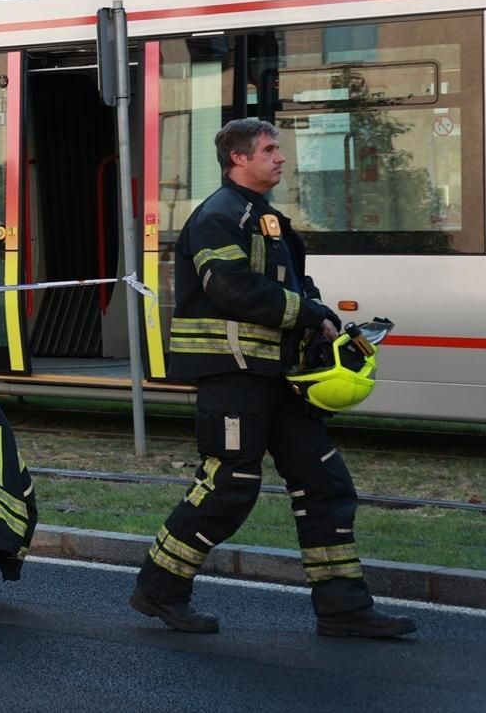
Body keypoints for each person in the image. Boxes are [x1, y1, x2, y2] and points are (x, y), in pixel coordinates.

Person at [129, 119, 414, 639]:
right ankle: (160, 588)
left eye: (278, 149)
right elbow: (232, 288)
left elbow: (295, 286)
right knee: (230, 485)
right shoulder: (218, 216)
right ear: (238, 158)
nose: (280, 157)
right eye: (269, 149)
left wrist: (322, 317)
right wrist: (309, 313)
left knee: (325, 484)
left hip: (279, 378)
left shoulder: (267, 218)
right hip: (232, 376)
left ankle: (343, 609)